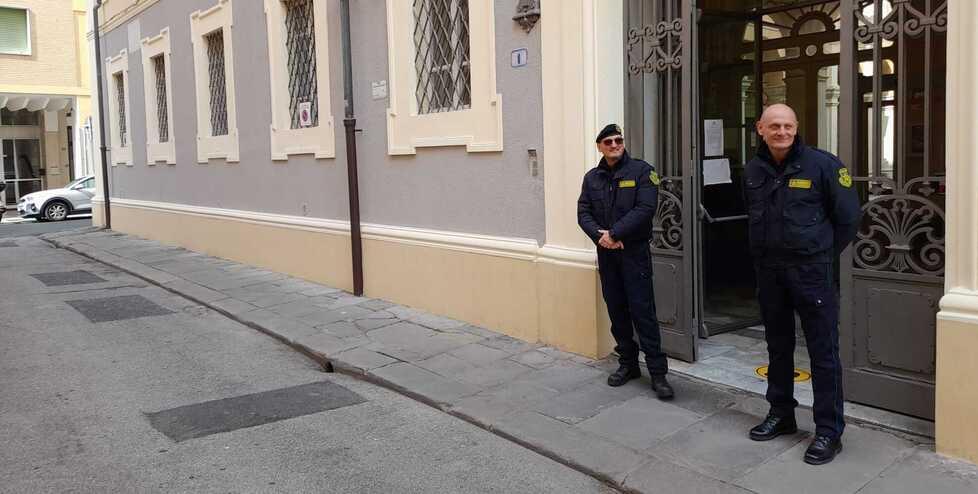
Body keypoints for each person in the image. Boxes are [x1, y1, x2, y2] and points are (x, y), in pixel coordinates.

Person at [743, 104, 860, 465]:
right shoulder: (753, 169)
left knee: (823, 353)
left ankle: (828, 431)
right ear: (761, 128)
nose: (782, 132)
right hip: (771, 273)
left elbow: (848, 220)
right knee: (777, 347)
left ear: (796, 128)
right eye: (774, 126)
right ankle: (781, 414)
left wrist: (819, 254)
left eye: (788, 126)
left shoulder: (823, 165)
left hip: (812, 273)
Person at [577, 124, 674, 400]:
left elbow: (645, 208)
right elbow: (583, 211)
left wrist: (616, 233)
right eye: (608, 141)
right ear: (600, 146)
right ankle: (628, 365)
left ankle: (658, 374)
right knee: (617, 311)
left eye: (618, 139)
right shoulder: (592, 178)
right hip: (607, 254)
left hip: (634, 253)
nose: (615, 144)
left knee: (643, 312)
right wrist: (601, 237)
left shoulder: (642, 171)